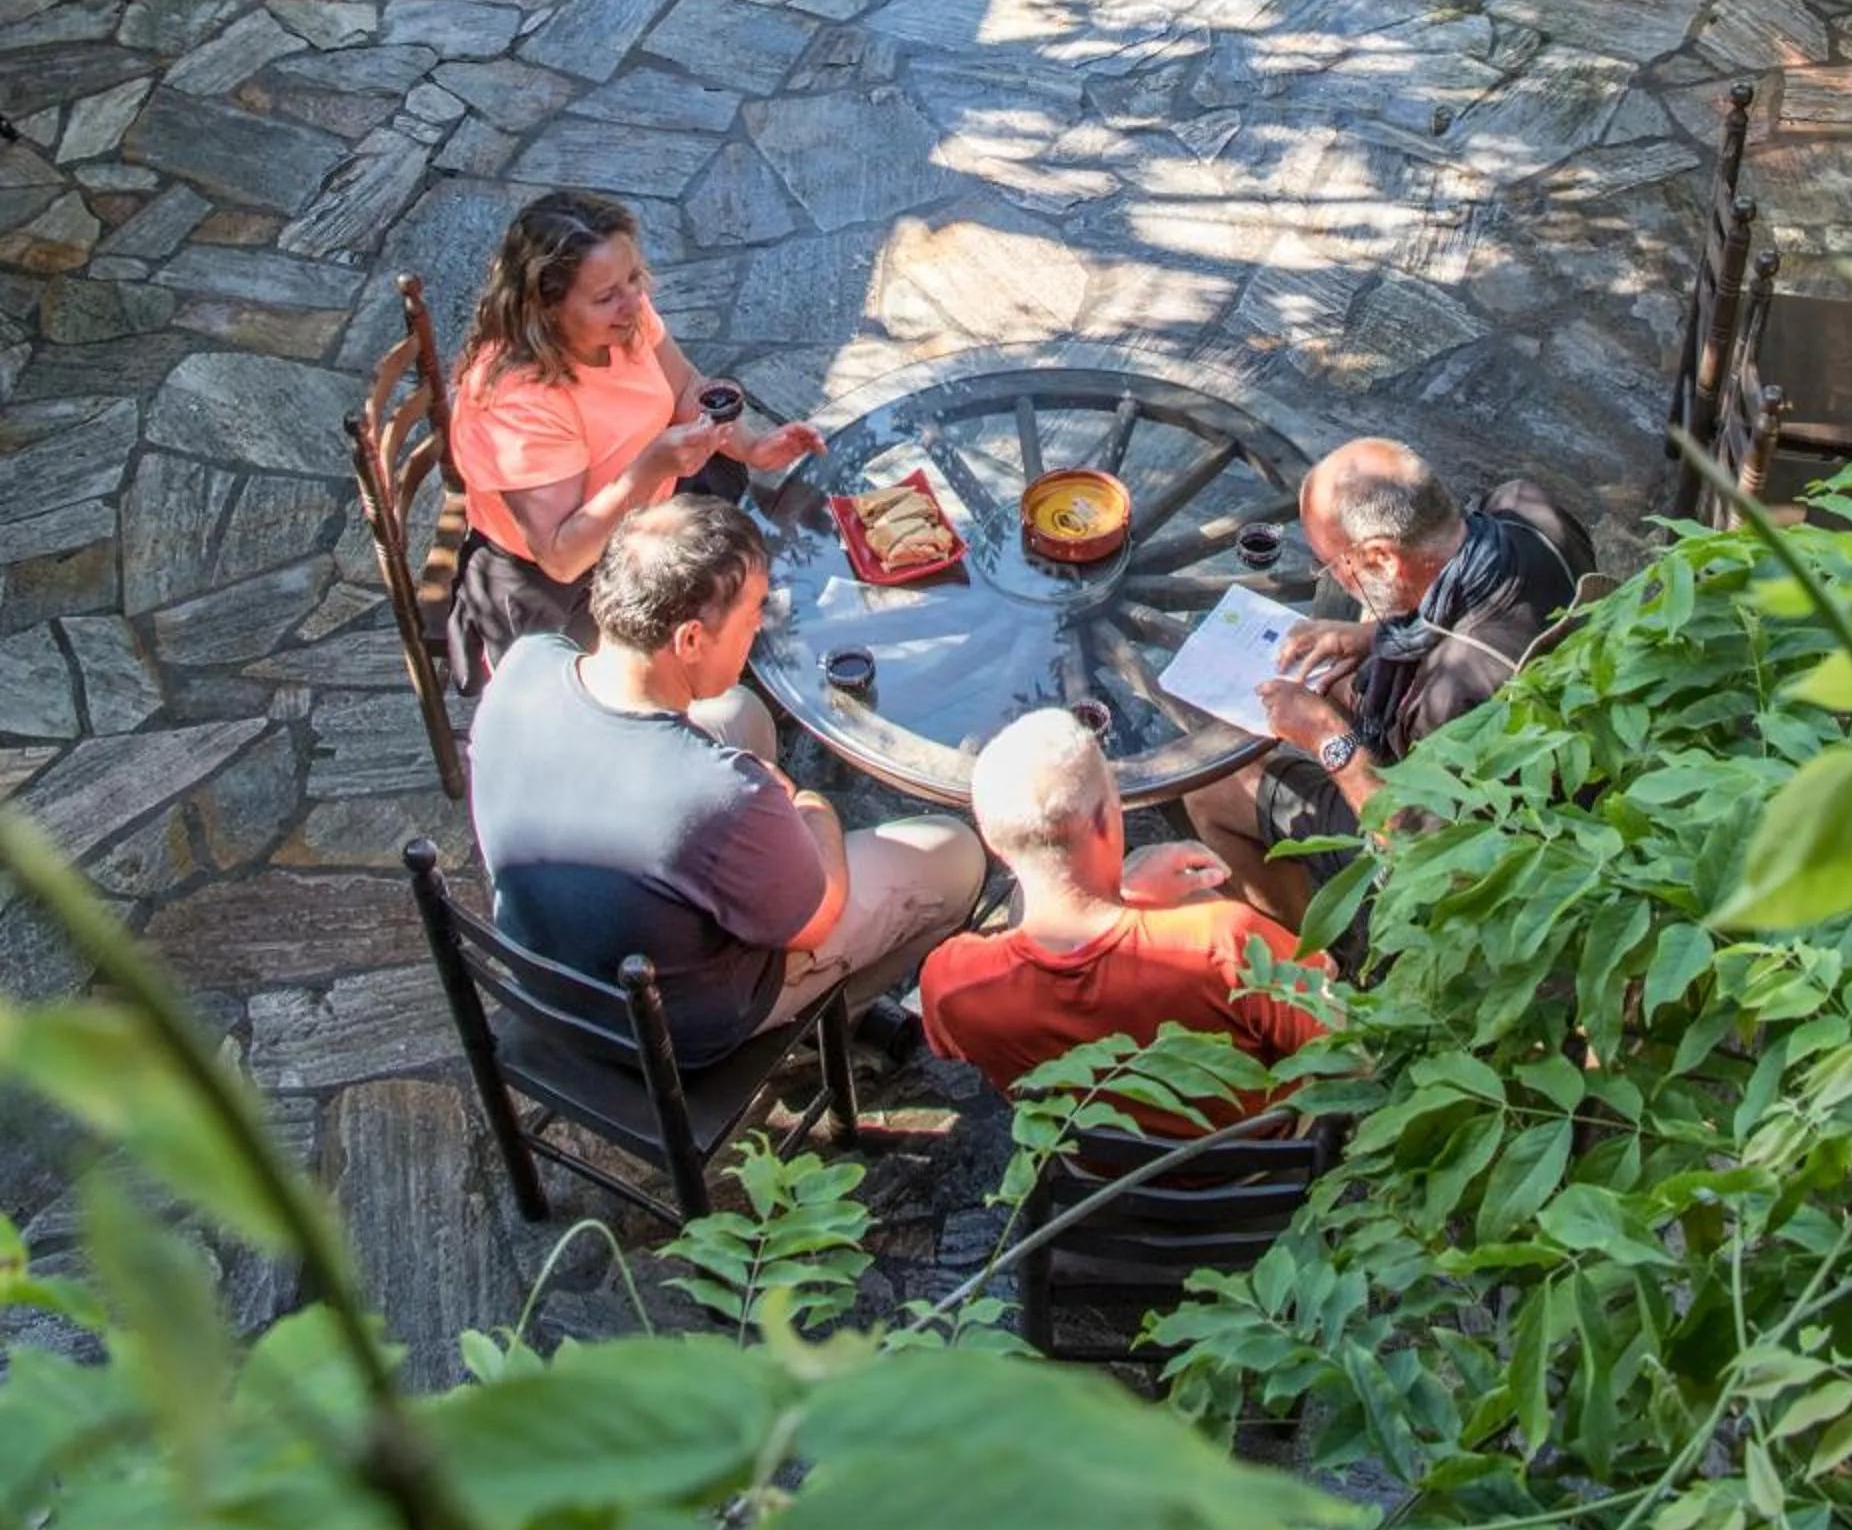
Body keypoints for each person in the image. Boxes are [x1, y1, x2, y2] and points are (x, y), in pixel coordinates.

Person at [468, 498, 985, 1070]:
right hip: (671, 1030)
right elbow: (817, 914)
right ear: (690, 640)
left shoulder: (528, 660)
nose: (761, 625)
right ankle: (825, 1031)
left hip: (552, 966)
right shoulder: (715, 797)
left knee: (741, 710)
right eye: (753, 612)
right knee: (955, 854)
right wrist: (809, 807)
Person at [1183, 438, 1594, 928]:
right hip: (1564, 730)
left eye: (1332, 565)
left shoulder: (1454, 694)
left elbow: (1421, 852)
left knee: (1213, 790)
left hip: (1484, 837)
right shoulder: (1525, 506)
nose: (1331, 574)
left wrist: (1329, 739)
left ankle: (1316, 957)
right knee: (1330, 680)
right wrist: (1368, 635)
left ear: (1381, 558)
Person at [446, 187, 824, 687]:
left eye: (632, 279)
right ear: (547, 308)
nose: (632, 303)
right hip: (566, 581)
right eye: (605, 297)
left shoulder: (625, 320)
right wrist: (651, 468)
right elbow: (562, 557)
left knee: (750, 593)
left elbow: (686, 388)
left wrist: (753, 446)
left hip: (648, 515)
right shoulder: (517, 404)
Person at [919, 707, 1330, 1098]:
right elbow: (1338, 1036)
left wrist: (1125, 894)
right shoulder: (1224, 942)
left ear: (993, 842)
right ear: (1108, 817)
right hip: (1269, 1139)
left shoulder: (951, 980)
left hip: (1083, 1144)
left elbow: (951, 1043)